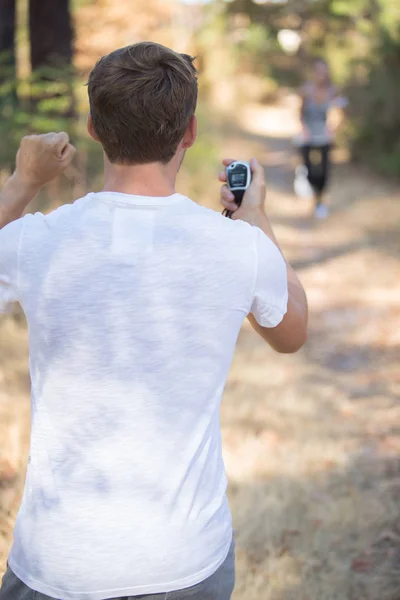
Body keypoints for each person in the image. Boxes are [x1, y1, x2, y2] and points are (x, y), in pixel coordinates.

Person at [0, 42, 308, 600]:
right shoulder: (238, 246)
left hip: (56, 564)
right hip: (185, 560)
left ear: (94, 127)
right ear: (189, 132)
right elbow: (291, 332)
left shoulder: (33, 241)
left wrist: (23, 183)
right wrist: (257, 216)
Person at [295, 57, 345, 219]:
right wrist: (304, 129)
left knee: (324, 172)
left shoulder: (333, 91)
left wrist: (333, 129)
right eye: (318, 71)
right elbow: (300, 113)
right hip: (308, 135)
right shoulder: (306, 90)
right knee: (309, 171)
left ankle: (320, 201)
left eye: (323, 71)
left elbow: (341, 113)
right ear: (314, 73)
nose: (320, 75)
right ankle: (309, 186)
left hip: (324, 135)